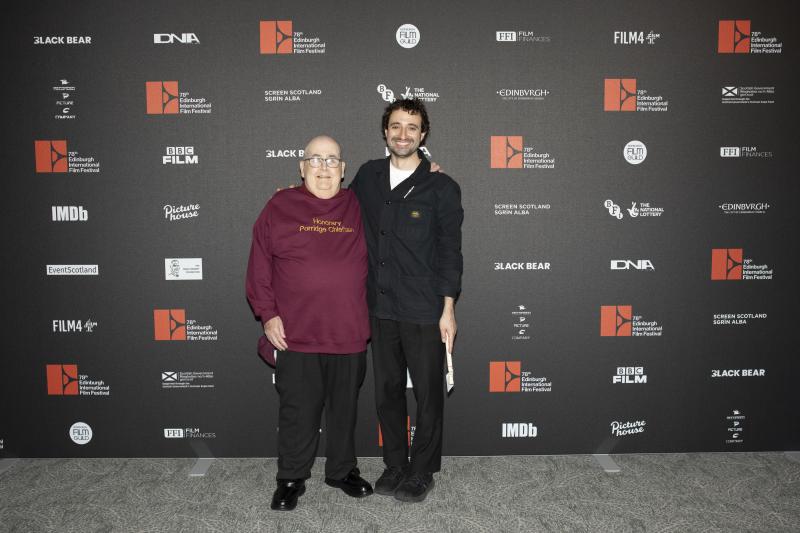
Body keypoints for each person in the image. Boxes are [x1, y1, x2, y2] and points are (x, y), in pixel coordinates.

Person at [246, 135, 373, 511]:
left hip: (348, 331)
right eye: (314, 160)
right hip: (295, 334)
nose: (323, 168)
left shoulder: (359, 205)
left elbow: (397, 190)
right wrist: (268, 315)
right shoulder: (279, 205)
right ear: (301, 168)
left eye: (332, 160)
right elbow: (258, 267)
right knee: (297, 411)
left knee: (344, 410)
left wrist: (427, 171)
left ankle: (341, 470)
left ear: (343, 170)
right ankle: (291, 478)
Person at [349, 98, 464, 502]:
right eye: (396, 126)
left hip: (423, 308)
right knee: (388, 390)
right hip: (379, 307)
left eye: (411, 128)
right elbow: (337, 211)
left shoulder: (442, 187)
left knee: (429, 393)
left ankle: (422, 470)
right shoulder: (367, 176)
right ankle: (395, 465)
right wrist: (296, 197)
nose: (403, 134)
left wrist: (447, 308)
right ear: (385, 131)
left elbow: (450, 250)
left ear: (423, 134)